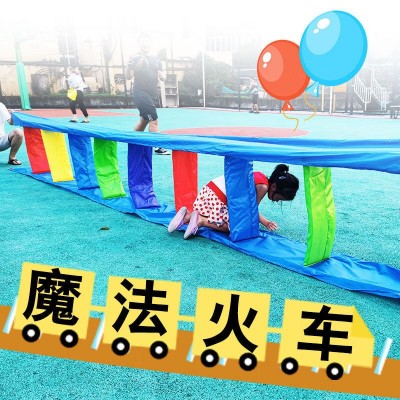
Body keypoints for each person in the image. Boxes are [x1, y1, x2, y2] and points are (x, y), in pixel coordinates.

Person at [168, 164, 299, 239]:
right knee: (236, 228)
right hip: (219, 197)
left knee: (226, 216)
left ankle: (187, 216)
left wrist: (266, 222)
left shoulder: (260, 176)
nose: (277, 201)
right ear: (274, 187)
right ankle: (201, 221)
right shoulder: (263, 187)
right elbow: (251, 212)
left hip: (209, 190)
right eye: (279, 198)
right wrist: (265, 223)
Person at [125, 32, 170, 155]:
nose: (145, 44)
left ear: (150, 43)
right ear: (139, 43)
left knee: (144, 120)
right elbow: (128, 76)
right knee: (153, 120)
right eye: (142, 41)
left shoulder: (156, 59)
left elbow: (163, 76)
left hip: (152, 94)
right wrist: (128, 66)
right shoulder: (135, 58)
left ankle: (133, 141)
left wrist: (163, 76)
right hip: (140, 93)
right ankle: (157, 147)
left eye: (147, 41)